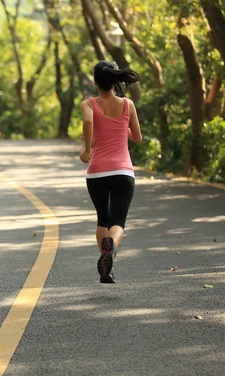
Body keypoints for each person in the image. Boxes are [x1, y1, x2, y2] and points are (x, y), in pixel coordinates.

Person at [79, 61, 142, 284]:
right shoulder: (128, 105)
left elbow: (88, 120)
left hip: (96, 173)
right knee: (119, 222)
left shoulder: (89, 104)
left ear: (96, 82)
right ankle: (111, 249)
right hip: (123, 172)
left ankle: (106, 264)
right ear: (114, 81)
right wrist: (120, 125)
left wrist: (87, 149)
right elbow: (138, 138)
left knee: (102, 219)